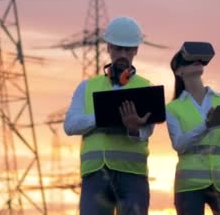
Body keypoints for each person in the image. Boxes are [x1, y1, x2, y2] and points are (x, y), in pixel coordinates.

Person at [64, 16, 154, 215]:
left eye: (128, 49)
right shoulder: (87, 87)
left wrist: (133, 128)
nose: (123, 54)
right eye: (118, 48)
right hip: (95, 174)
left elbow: (147, 131)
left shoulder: (145, 88)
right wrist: (101, 117)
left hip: (132, 175)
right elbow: (70, 125)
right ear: (109, 48)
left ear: (136, 50)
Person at [166, 42, 220, 215]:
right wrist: (206, 125)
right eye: (189, 61)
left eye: (199, 60)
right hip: (189, 185)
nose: (196, 61)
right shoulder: (172, 108)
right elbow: (179, 144)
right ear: (179, 71)